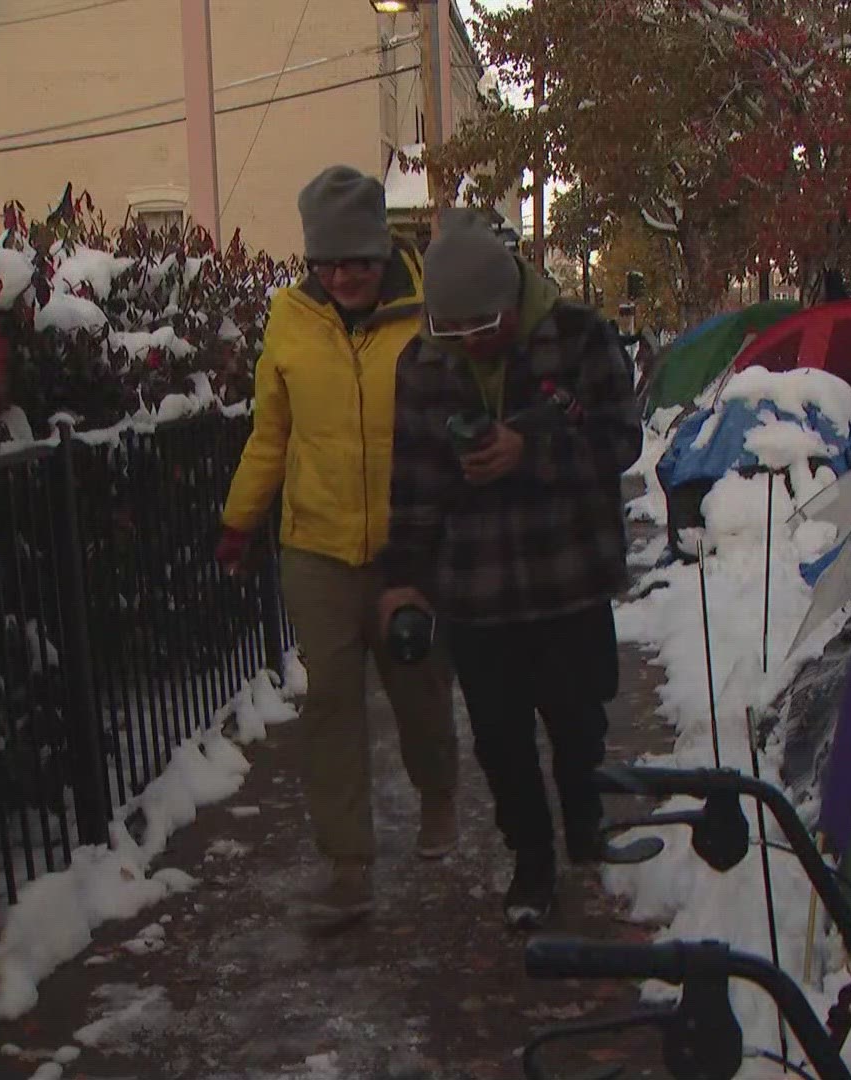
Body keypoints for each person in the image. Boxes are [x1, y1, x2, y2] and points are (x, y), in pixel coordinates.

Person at [377, 210, 642, 929]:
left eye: (482, 328)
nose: (467, 345)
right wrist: (403, 577)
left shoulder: (581, 338)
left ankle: (586, 821)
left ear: (513, 299)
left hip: (568, 576)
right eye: (450, 330)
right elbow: (413, 480)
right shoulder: (423, 364)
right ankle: (531, 858)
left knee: (578, 717)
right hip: (477, 590)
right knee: (499, 739)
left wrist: (532, 453)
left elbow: (621, 442)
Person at [217, 165, 460, 931]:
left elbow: (457, 416)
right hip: (316, 545)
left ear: (381, 251)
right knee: (329, 703)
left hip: (406, 549)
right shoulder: (289, 318)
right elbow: (271, 432)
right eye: (329, 263)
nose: (345, 276)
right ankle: (348, 865)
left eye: (358, 260)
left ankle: (439, 792)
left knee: (418, 688)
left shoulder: (426, 312)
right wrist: (238, 521)